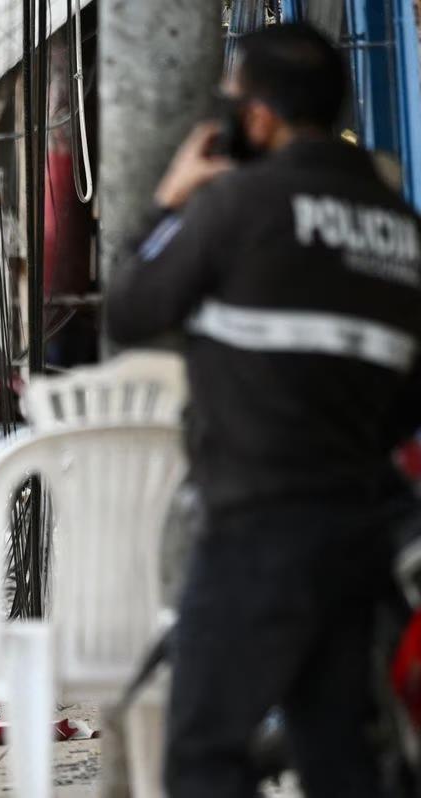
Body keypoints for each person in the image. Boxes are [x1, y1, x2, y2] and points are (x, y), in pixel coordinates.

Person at [105, 24, 421, 797]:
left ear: (259, 116)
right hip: (357, 538)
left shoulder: (240, 206)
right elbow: (407, 404)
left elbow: (133, 309)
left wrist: (167, 201)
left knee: (207, 755)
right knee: (341, 760)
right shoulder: (401, 231)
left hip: (255, 532)